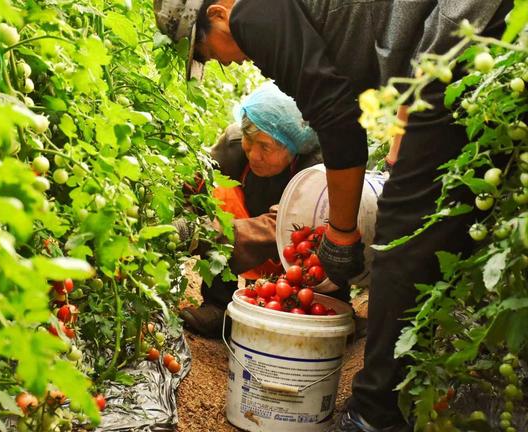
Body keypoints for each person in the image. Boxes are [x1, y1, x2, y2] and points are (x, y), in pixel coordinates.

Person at [153, 1, 513, 431]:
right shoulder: (235, 139)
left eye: (209, 52)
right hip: (444, 48)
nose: (228, 63)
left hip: (457, 36)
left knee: (403, 224)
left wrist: (341, 233)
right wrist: (406, 122)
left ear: (218, 14)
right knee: (437, 214)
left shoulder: (252, 14)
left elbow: (338, 118)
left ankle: (374, 413)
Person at [180, 81, 325, 337]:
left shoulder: (316, 168)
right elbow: (192, 186)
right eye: (250, 140)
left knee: (310, 239)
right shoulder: (234, 145)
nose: (253, 154)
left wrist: (200, 235)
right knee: (217, 192)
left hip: (295, 255)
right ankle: (218, 305)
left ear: (292, 149)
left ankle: (307, 314)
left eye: (265, 147)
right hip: (247, 234)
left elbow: (282, 227)